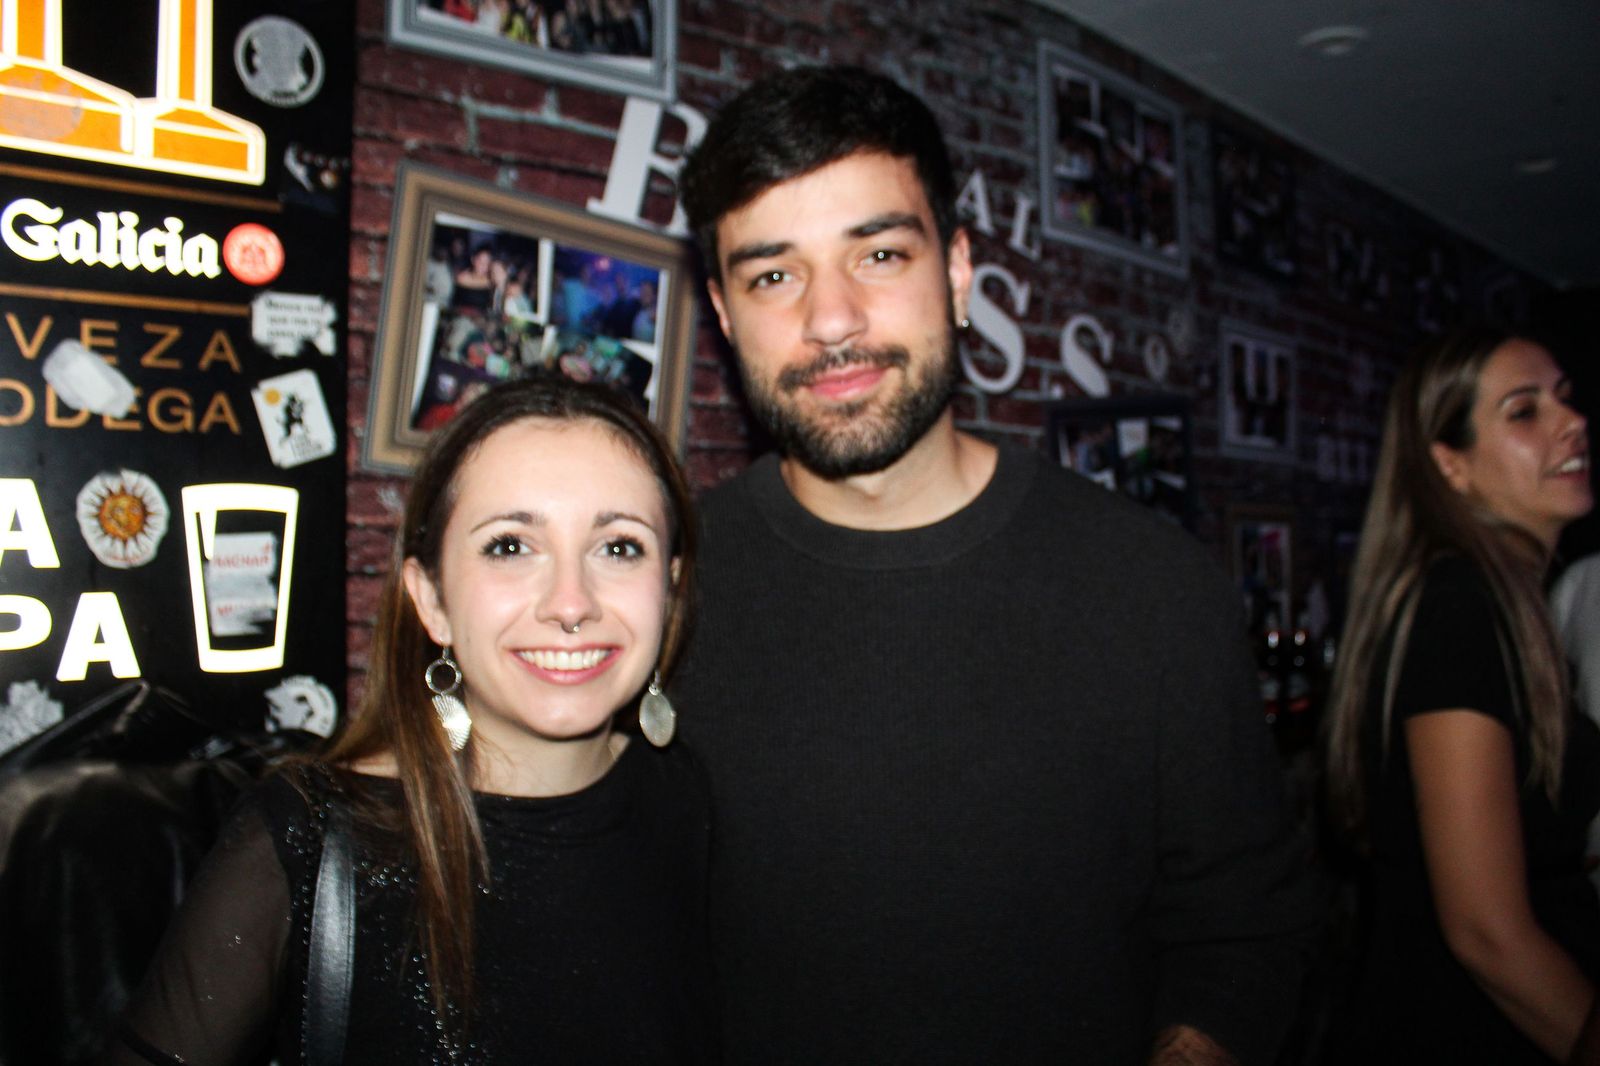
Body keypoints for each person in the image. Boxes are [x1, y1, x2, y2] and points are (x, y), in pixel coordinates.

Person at [673, 64, 1315, 1066]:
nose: (830, 318)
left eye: (878, 253)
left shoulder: (1151, 586)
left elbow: (1243, 934)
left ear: (958, 271)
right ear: (721, 310)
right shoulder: (662, 597)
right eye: (772, 275)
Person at [106, 377, 714, 1065]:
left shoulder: (693, 800)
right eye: (510, 546)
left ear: (669, 585)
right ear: (431, 599)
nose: (570, 603)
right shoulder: (310, 840)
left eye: (619, 547)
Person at [1324, 328, 1600, 1064]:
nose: (1572, 422)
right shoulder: (1459, 607)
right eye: (1524, 411)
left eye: (1566, 400)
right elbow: (1485, 930)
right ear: (1451, 465)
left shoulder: (1511, 606)